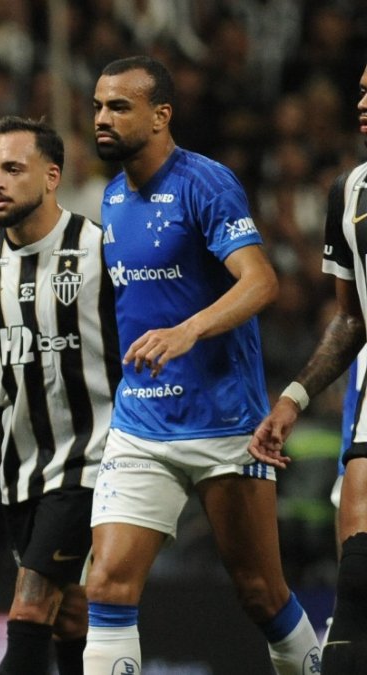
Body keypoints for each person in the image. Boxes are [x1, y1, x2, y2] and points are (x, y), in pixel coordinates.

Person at [84, 55, 319, 675]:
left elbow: (261, 281)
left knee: (261, 594)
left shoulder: (204, 183)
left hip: (223, 424)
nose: (101, 119)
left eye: (119, 107)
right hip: (140, 425)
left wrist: (188, 330)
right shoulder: (110, 197)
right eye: (98, 106)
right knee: (105, 586)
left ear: (161, 116)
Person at [0, 116, 118, 675]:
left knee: (29, 603)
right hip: (22, 465)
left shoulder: (101, 249)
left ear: (52, 176)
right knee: (69, 613)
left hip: (94, 458)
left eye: (13, 168)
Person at [250, 63, 367, 674]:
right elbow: (351, 320)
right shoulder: (348, 192)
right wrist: (293, 397)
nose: (363, 100)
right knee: (359, 582)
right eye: (362, 87)